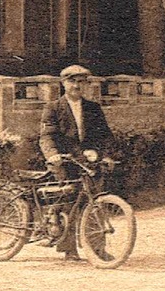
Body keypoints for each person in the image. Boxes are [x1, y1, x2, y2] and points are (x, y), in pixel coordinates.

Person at [38, 64, 114, 260]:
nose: (77, 86)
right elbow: (47, 136)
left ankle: (97, 249)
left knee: (95, 202)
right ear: (64, 83)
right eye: (72, 81)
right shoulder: (53, 108)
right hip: (64, 161)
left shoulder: (93, 108)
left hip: (88, 162)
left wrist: (103, 154)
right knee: (69, 201)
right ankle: (68, 248)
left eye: (81, 82)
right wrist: (52, 155)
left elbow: (105, 136)